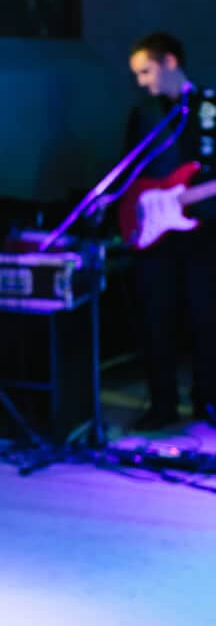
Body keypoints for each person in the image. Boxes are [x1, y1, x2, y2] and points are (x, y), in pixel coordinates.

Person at [126, 32, 216, 430]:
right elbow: (130, 175)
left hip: (204, 230)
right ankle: (161, 404)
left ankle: (206, 400)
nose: (142, 81)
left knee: (206, 318)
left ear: (171, 62)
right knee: (155, 318)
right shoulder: (145, 113)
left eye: (146, 71)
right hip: (155, 232)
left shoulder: (209, 107)